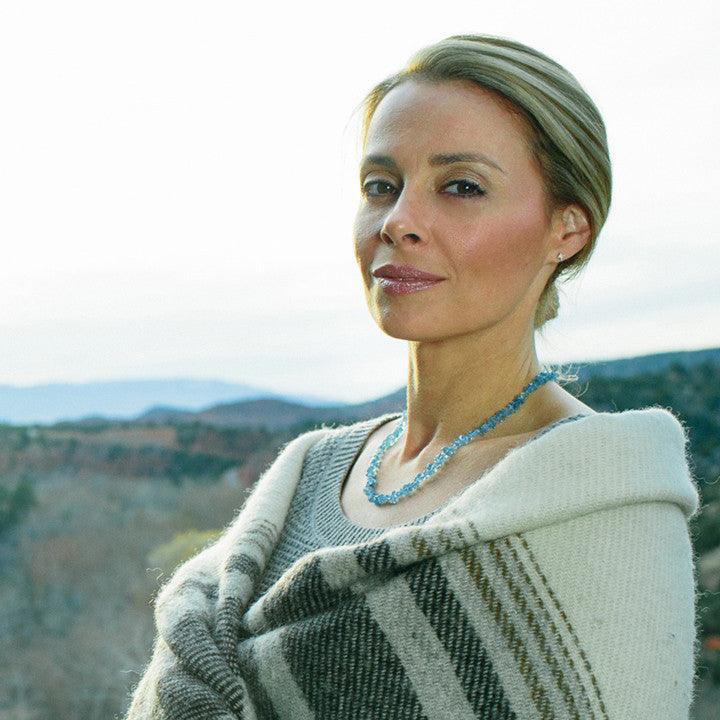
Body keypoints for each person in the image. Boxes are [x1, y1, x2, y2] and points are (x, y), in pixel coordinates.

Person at [123, 34, 700, 720]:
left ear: (567, 229)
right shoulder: (308, 474)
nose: (399, 222)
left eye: (461, 187)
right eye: (381, 186)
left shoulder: (605, 511)